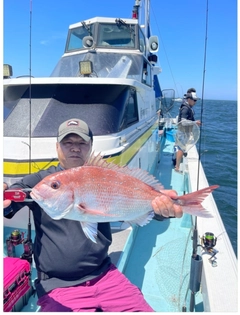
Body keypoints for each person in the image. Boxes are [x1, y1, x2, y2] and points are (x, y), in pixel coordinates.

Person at [3, 118, 183, 312]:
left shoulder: (102, 174)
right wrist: (5, 193)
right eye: (68, 143)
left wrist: (162, 209)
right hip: (58, 285)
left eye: (81, 143)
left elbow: (135, 205)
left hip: (106, 275)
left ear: (90, 147)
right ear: (57, 147)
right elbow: (14, 195)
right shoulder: (42, 181)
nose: (75, 148)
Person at [174, 88, 201, 172]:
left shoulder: (188, 105)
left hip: (185, 132)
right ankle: (177, 167)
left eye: (196, 100)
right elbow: (183, 122)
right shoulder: (185, 108)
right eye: (194, 100)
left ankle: (177, 162)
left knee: (180, 147)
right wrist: (195, 122)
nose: (195, 102)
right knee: (181, 148)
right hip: (183, 132)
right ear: (189, 99)